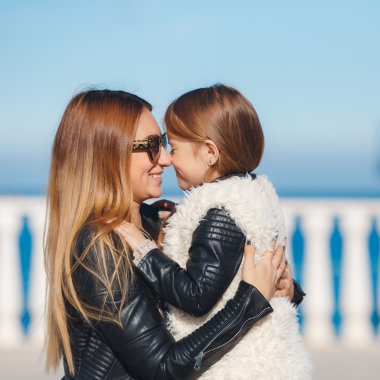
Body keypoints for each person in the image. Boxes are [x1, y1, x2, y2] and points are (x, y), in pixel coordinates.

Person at [44, 89, 287, 379]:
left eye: (163, 143)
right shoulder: (98, 246)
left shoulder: (153, 224)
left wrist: (280, 287)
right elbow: (163, 370)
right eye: (152, 145)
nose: (166, 159)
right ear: (108, 154)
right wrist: (249, 304)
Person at [117, 84, 312, 379]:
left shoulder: (222, 213)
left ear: (209, 152)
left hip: (238, 366)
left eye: (174, 147)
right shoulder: (254, 194)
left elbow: (196, 297)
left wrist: (143, 250)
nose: (168, 160)